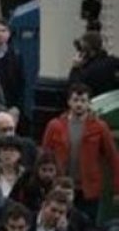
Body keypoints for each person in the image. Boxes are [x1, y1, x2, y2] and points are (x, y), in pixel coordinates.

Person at [41, 83, 119, 222]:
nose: (79, 104)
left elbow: (113, 158)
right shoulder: (55, 125)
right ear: (69, 102)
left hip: (89, 189)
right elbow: (44, 156)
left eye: (83, 101)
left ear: (89, 103)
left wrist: (117, 189)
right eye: (76, 100)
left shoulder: (99, 127)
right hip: (61, 186)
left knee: (87, 227)